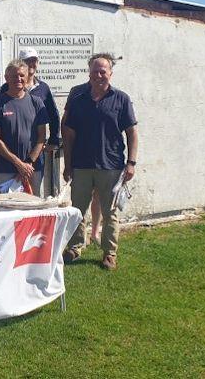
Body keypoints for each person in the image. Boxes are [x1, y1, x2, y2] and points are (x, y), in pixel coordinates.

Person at [62, 53, 138, 271]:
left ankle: (109, 252)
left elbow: (132, 132)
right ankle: (76, 246)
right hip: (82, 165)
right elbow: (69, 135)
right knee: (77, 210)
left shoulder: (121, 99)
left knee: (110, 213)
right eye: (95, 71)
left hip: (112, 166)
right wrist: (68, 164)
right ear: (89, 73)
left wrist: (131, 163)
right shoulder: (78, 100)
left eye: (103, 71)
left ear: (110, 74)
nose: (99, 75)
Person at [0, 60, 49, 195]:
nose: (18, 79)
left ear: (27, 77)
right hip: (6, 169)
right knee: (7, 212)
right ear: (6, 78)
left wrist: (28, 163)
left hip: (33, 169)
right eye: (14, 76)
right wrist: (18, 164)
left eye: (21, 75)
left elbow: (42, 137)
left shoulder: (36, 103)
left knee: (33, 211)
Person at [0, 48, 61, 189]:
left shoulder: (43, 88)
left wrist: (53, 140)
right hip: (10, 154)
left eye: (34, 60)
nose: (32, 64)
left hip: (34, 152)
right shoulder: (6, 88)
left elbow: (53, 114)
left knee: (33, 194)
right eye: (28, 61)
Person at [61, 81, 102, 245]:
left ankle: (95, 232)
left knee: (98, 197)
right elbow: (66, 122)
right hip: (80, 155)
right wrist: (68, 159)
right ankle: (79, 239)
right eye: (94, 70)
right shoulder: (77, 92)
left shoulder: (111, 94)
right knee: (80, 202)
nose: (97, 75)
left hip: (102, 159)